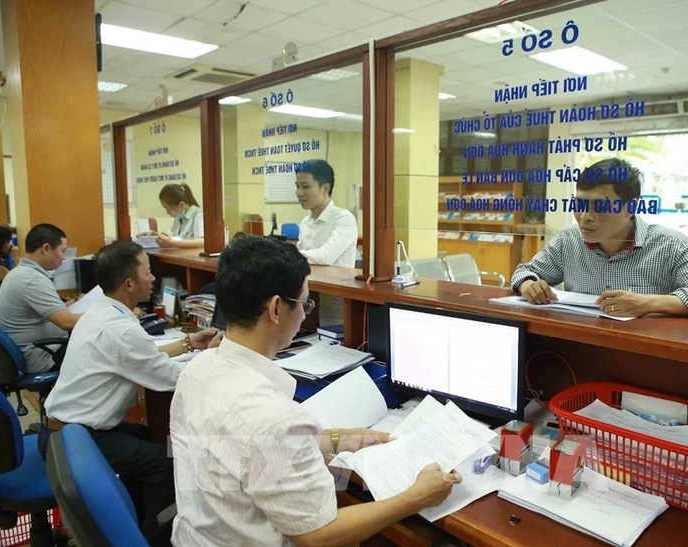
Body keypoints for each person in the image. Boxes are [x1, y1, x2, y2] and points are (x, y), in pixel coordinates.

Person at [170, 236, 461, 545]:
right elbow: (319, 536)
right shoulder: (275, 420)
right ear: (276, 308)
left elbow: (238, 450)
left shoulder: (197, 371)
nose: (307, 314)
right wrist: (416, 497)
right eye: (306, 304)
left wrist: (334, 440)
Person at [40, 241, 221, 546]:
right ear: (129, 283)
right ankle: (155, 537)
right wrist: (214, 356)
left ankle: (136, 519)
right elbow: (171, 378)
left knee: (145, 436)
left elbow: (140, 354)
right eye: (148, 272)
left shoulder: (102, 313)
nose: (152, 279)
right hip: (80, 437)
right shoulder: (121, 329)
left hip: (62, 430)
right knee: (167, 462)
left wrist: (189, 344)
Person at [510, 158, 688, 319]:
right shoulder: (570, 240)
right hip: (579, 347)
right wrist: (529, 285)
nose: (585, 217)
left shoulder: (671, 245)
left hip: (646, 354)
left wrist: (650, 303)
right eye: (580, 205)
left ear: (630, 208)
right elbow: (524, 272)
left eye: (600, 206)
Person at [0, 224, 81, 372]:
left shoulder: (22, 273)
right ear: (46, 249)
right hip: (42, 357)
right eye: (63, 251)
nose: (64, 257)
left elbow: (48, 312)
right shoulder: (31, 279)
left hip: (34, 351)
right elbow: (66, 322)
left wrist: (75, 303)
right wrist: (106, 314)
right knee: (106, 352)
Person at [295, 159, 358, 267]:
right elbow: (299, 261)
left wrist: (287, 256)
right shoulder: (306, 222)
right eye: (297, 186)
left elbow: (325, 257)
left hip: (335, 283)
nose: (299, 192)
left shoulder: (344, 219)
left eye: (305, 187)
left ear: (325, 188)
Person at [142, 183, 204, 249]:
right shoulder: (179, 218)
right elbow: (171, 235)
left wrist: (172, 243)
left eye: (168, 209)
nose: (167, 213)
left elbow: (202, 242)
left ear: (181, 205)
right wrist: (155, 235)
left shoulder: (198, 216)